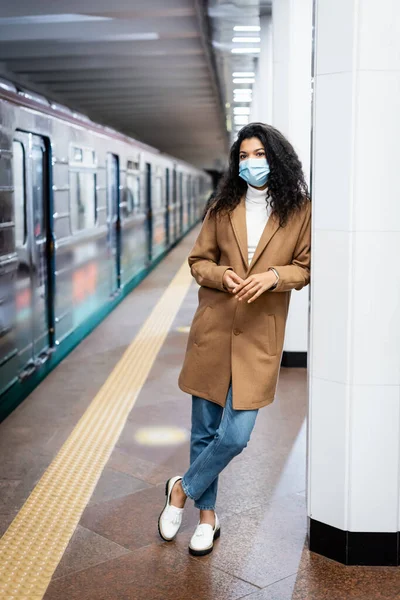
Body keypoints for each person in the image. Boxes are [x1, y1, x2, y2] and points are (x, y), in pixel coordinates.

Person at [158, 122, 311, 556]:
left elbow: (304, 267)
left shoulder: (300, 210)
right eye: (243, 156)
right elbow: (197, 260)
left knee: (236, 435)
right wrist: (221, 275)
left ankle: (180, 489)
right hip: (214, 327)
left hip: (259, 336)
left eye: (259, 155)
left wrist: (274, 276)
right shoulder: (222, 206)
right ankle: (207, 519)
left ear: (276, 158)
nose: (250, 163)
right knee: (204, 431)